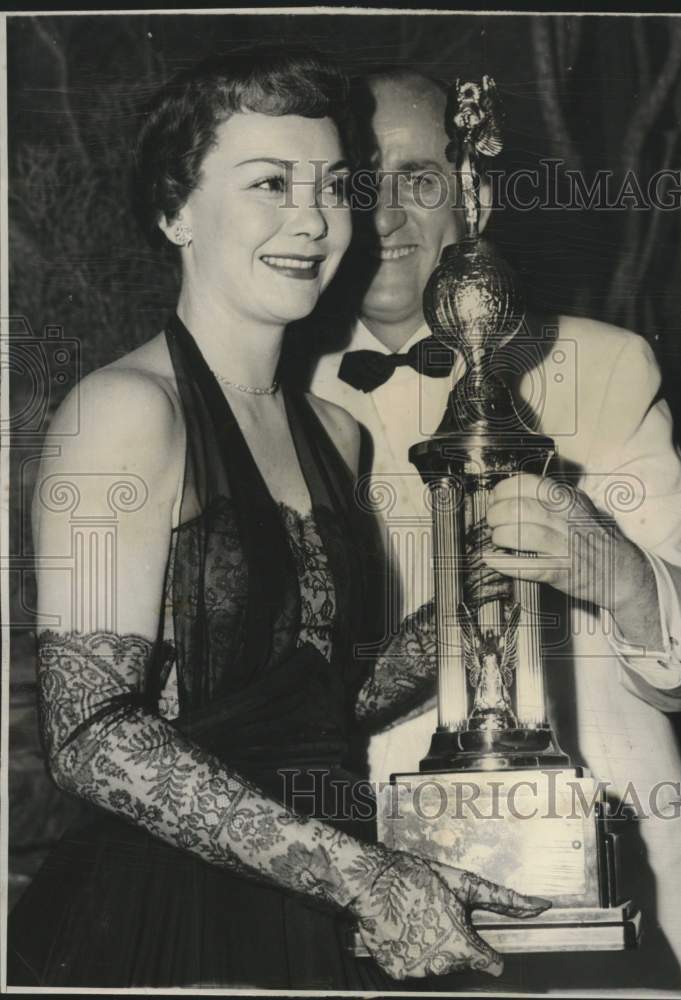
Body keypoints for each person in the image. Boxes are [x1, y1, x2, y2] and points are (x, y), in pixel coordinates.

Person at [6, 48, 550, 990]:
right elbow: (90, 737)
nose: (312, 220)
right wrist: (364, 875)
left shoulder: (334, 432)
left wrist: (474, 589)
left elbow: (326, 696)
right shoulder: (124, 411)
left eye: (333, 185)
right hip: (171, 912)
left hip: (326, 903)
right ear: (176, 212)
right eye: (270, 183)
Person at [309, 68, 681, 995]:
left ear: (473, 192)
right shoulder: (264, 398)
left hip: (605, 908)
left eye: (417, 180)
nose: (383, 218)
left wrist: (617, 571)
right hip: (362, 916)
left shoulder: (604, 365)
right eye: (354, 181)